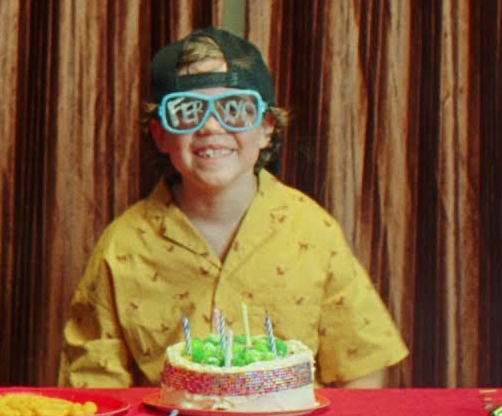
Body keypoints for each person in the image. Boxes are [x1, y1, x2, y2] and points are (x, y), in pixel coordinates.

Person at [58, 27, 409, 388]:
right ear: (161, 134)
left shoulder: (313, 231)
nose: (212, 126)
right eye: (188, 111)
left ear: (266, 129)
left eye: (235, 109)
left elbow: (363, 366)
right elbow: (93, 384)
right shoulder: (121, 246)